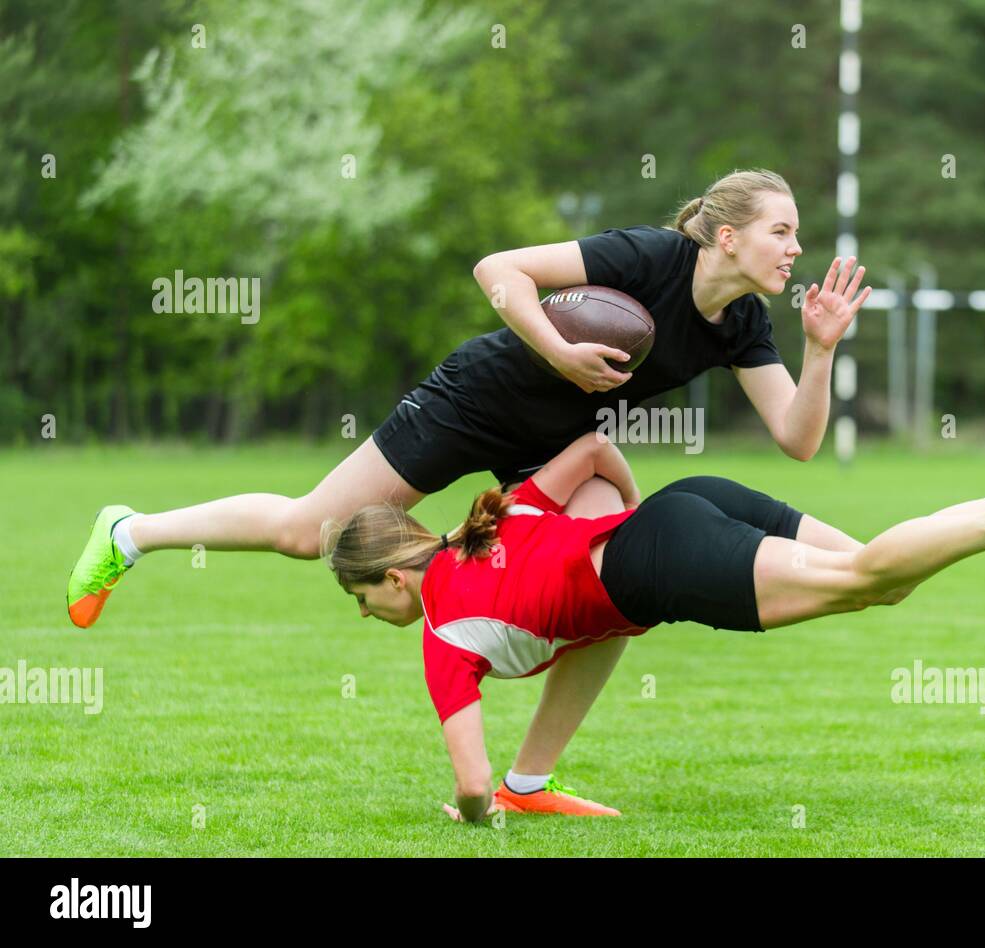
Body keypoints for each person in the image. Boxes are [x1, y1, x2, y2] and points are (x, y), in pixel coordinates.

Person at [65, 168, 872, 814]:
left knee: (616, 588)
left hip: (559, 445)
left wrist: (821, 350)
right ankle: (131, 533)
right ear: (728, 237)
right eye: (783, 230)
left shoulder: (741, 323)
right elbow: (499, 269)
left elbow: (797, 440)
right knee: (308, 532)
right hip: (477, 400)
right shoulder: (648, 257)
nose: (797, 247)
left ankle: (524, 786)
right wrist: (560, 353)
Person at [325, 431, 985, 823]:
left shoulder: (444, 636)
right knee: (884, 585)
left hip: (670, 558)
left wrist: (473, 813)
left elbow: (466, 785)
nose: (370, 618)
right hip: (687, 505)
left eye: (364, 602)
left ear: (395, 579)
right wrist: (639, 522)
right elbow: (597, 450)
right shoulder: (494, 520)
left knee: (866, 579)